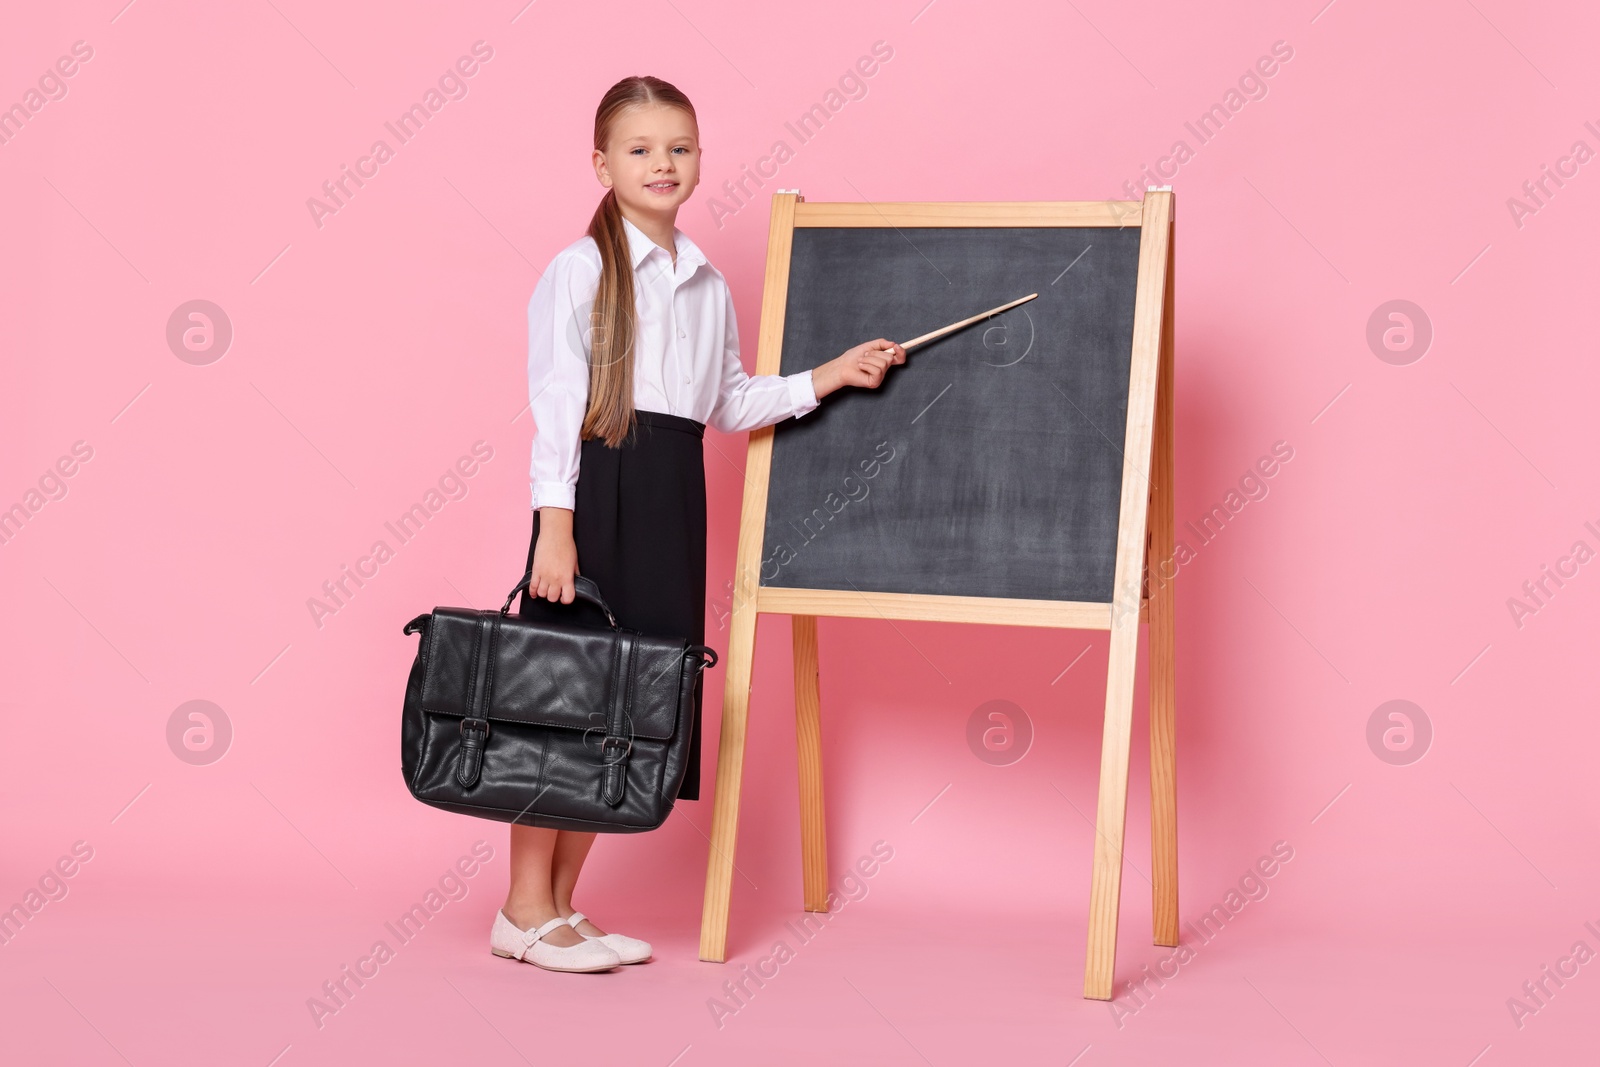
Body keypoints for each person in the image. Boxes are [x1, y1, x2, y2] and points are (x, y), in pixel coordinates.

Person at [488, 74, 905, 973]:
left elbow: (728, 401)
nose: (662, 163)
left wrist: (828, 374)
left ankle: (561, 905)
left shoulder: (705, 278)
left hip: (675, 489)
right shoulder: (583, 269)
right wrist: (553, 527)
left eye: (678, 146)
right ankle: (522, 909)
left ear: (700, 158)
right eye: (640, 149)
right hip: (598, 488)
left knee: (633, 701)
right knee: (567, 695)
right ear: (601, 163)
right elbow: (559, 407)